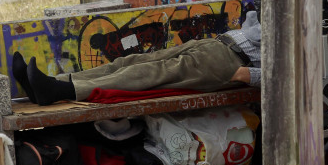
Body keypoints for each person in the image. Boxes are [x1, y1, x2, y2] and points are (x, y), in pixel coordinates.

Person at [14, 9, 261, 105]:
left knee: (144, 75)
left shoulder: (298, 51)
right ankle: (47, 84)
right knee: (128, 62)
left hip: (231, 61)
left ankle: (62, 90)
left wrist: (245, 75)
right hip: (217, 44)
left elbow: (287, 77)